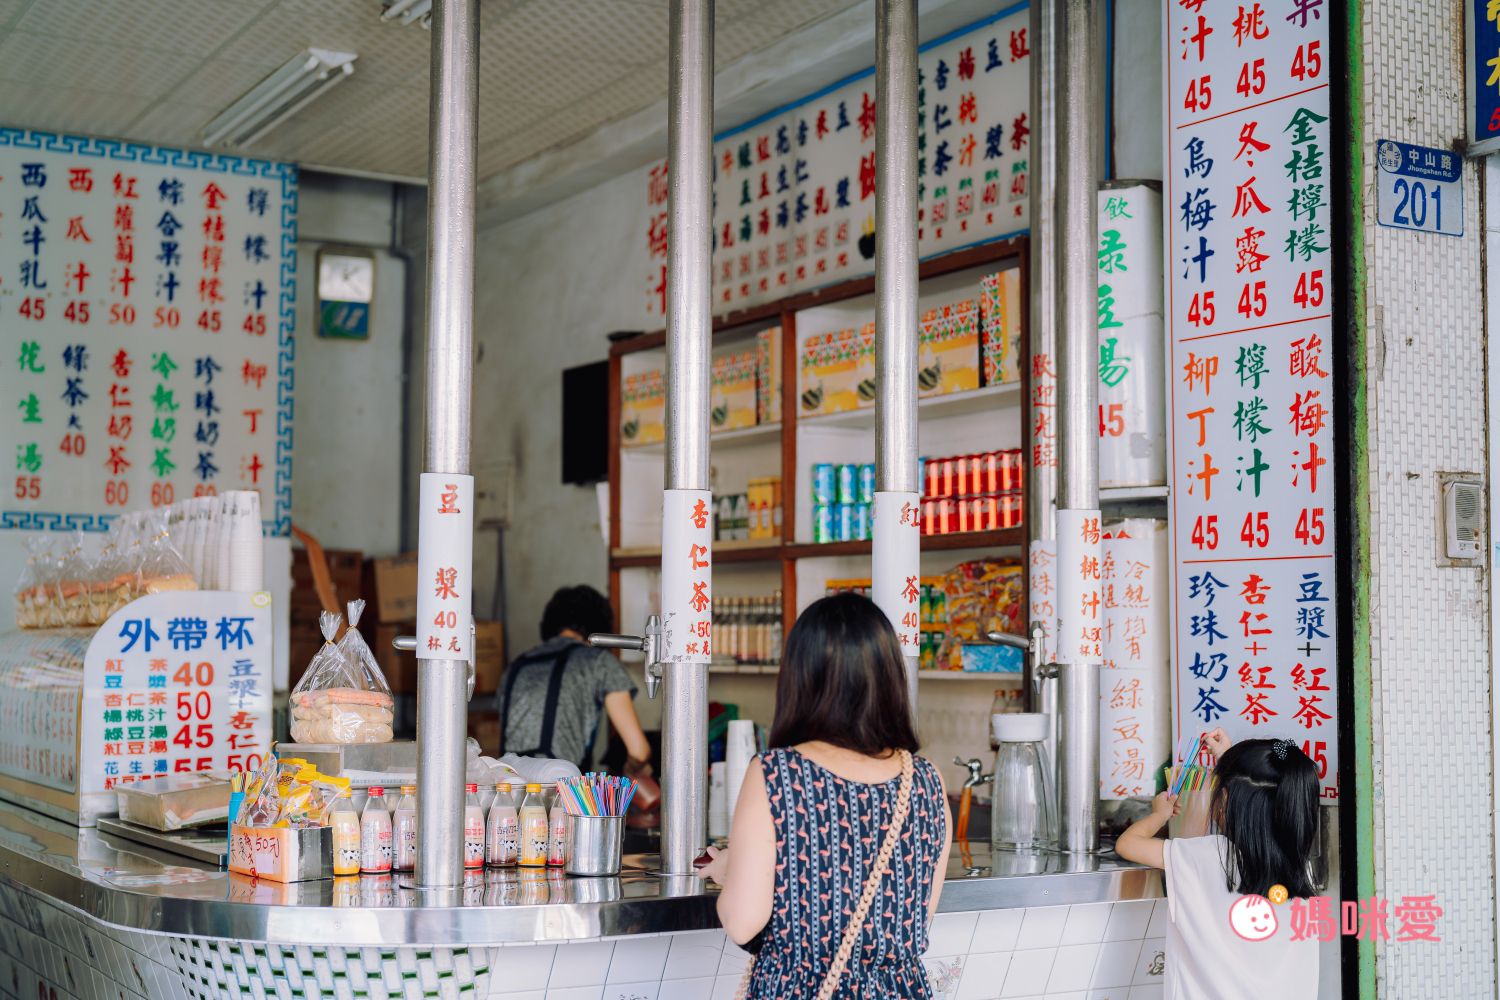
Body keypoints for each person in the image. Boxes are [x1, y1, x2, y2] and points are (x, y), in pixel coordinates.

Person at [700, 593, 952, 999]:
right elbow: (916, 916)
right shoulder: (924, 779)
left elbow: (743, 921)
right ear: (890, 678)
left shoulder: (777, 772)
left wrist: (730, 869)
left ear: (800, 677)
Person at [1115, 728, 1323, 1000]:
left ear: (1223, 800)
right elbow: (1259, 791)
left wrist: (1160, 814)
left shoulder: (1203, 857)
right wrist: (1229, 762)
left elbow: (1128, 844)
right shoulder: (1300, 866)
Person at [499, 585, 651, 774]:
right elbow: (639, 751)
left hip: (507, 786)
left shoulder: (516, 666)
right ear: (600, 626)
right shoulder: (598, 661)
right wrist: (635, 770)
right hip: (561, 788)